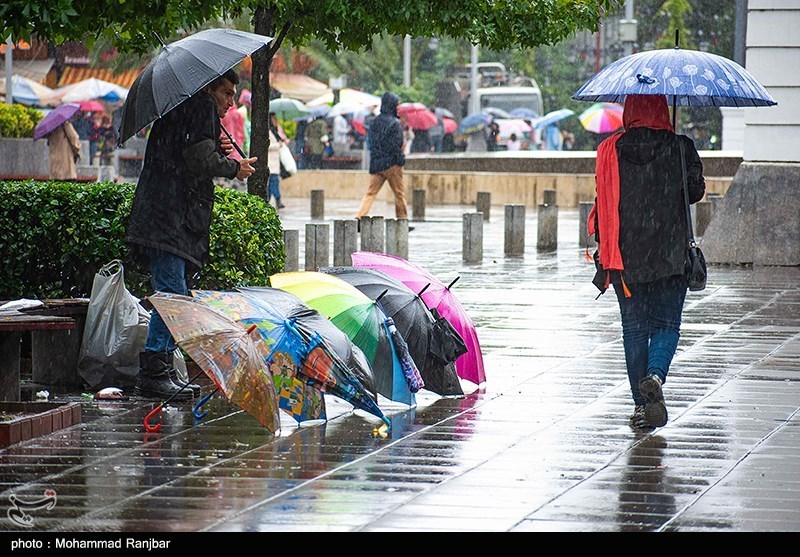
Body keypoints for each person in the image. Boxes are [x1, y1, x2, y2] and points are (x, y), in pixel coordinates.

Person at [126, 68, 257, 400]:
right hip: (169, 217)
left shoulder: (184, 107)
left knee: (174, 294)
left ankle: (162, 369)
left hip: (164, 214)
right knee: (173, 295)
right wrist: (233, 167)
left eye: (234, 97)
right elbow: (198, 160)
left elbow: (191, 152)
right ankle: (154, 373)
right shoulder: (198, 107)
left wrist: (216, 143)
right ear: (209, 87)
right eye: (226, 94)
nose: (230, 102)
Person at [589, 94, 705, 430]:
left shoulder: (613, 150)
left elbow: (603, 197)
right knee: (667, 325)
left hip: (626, 257)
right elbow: (694, 193)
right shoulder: (680, 146)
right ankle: (655, 374)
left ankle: (642, 406)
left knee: (634, 330)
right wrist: (679, 155)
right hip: (670, 254)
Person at [356, 91, 408, 221]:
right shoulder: (395, 124)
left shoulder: (374, 122)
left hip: (377, 164)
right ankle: (402, 220)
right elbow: (396, 145)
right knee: (399, 194)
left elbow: (371, 142)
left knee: (371, 193)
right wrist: (400, 160)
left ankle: (359, 217)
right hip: (392, 165)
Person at [267, 112, 286, 209]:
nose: (276, 121)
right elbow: (267, 145)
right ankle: (278, 200)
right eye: (274, 119)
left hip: (275, 162)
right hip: (270, 162)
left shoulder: (275, 131)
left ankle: (268, 201)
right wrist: (278, 145)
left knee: (271, 184)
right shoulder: (268, 132)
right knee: (273, 183)